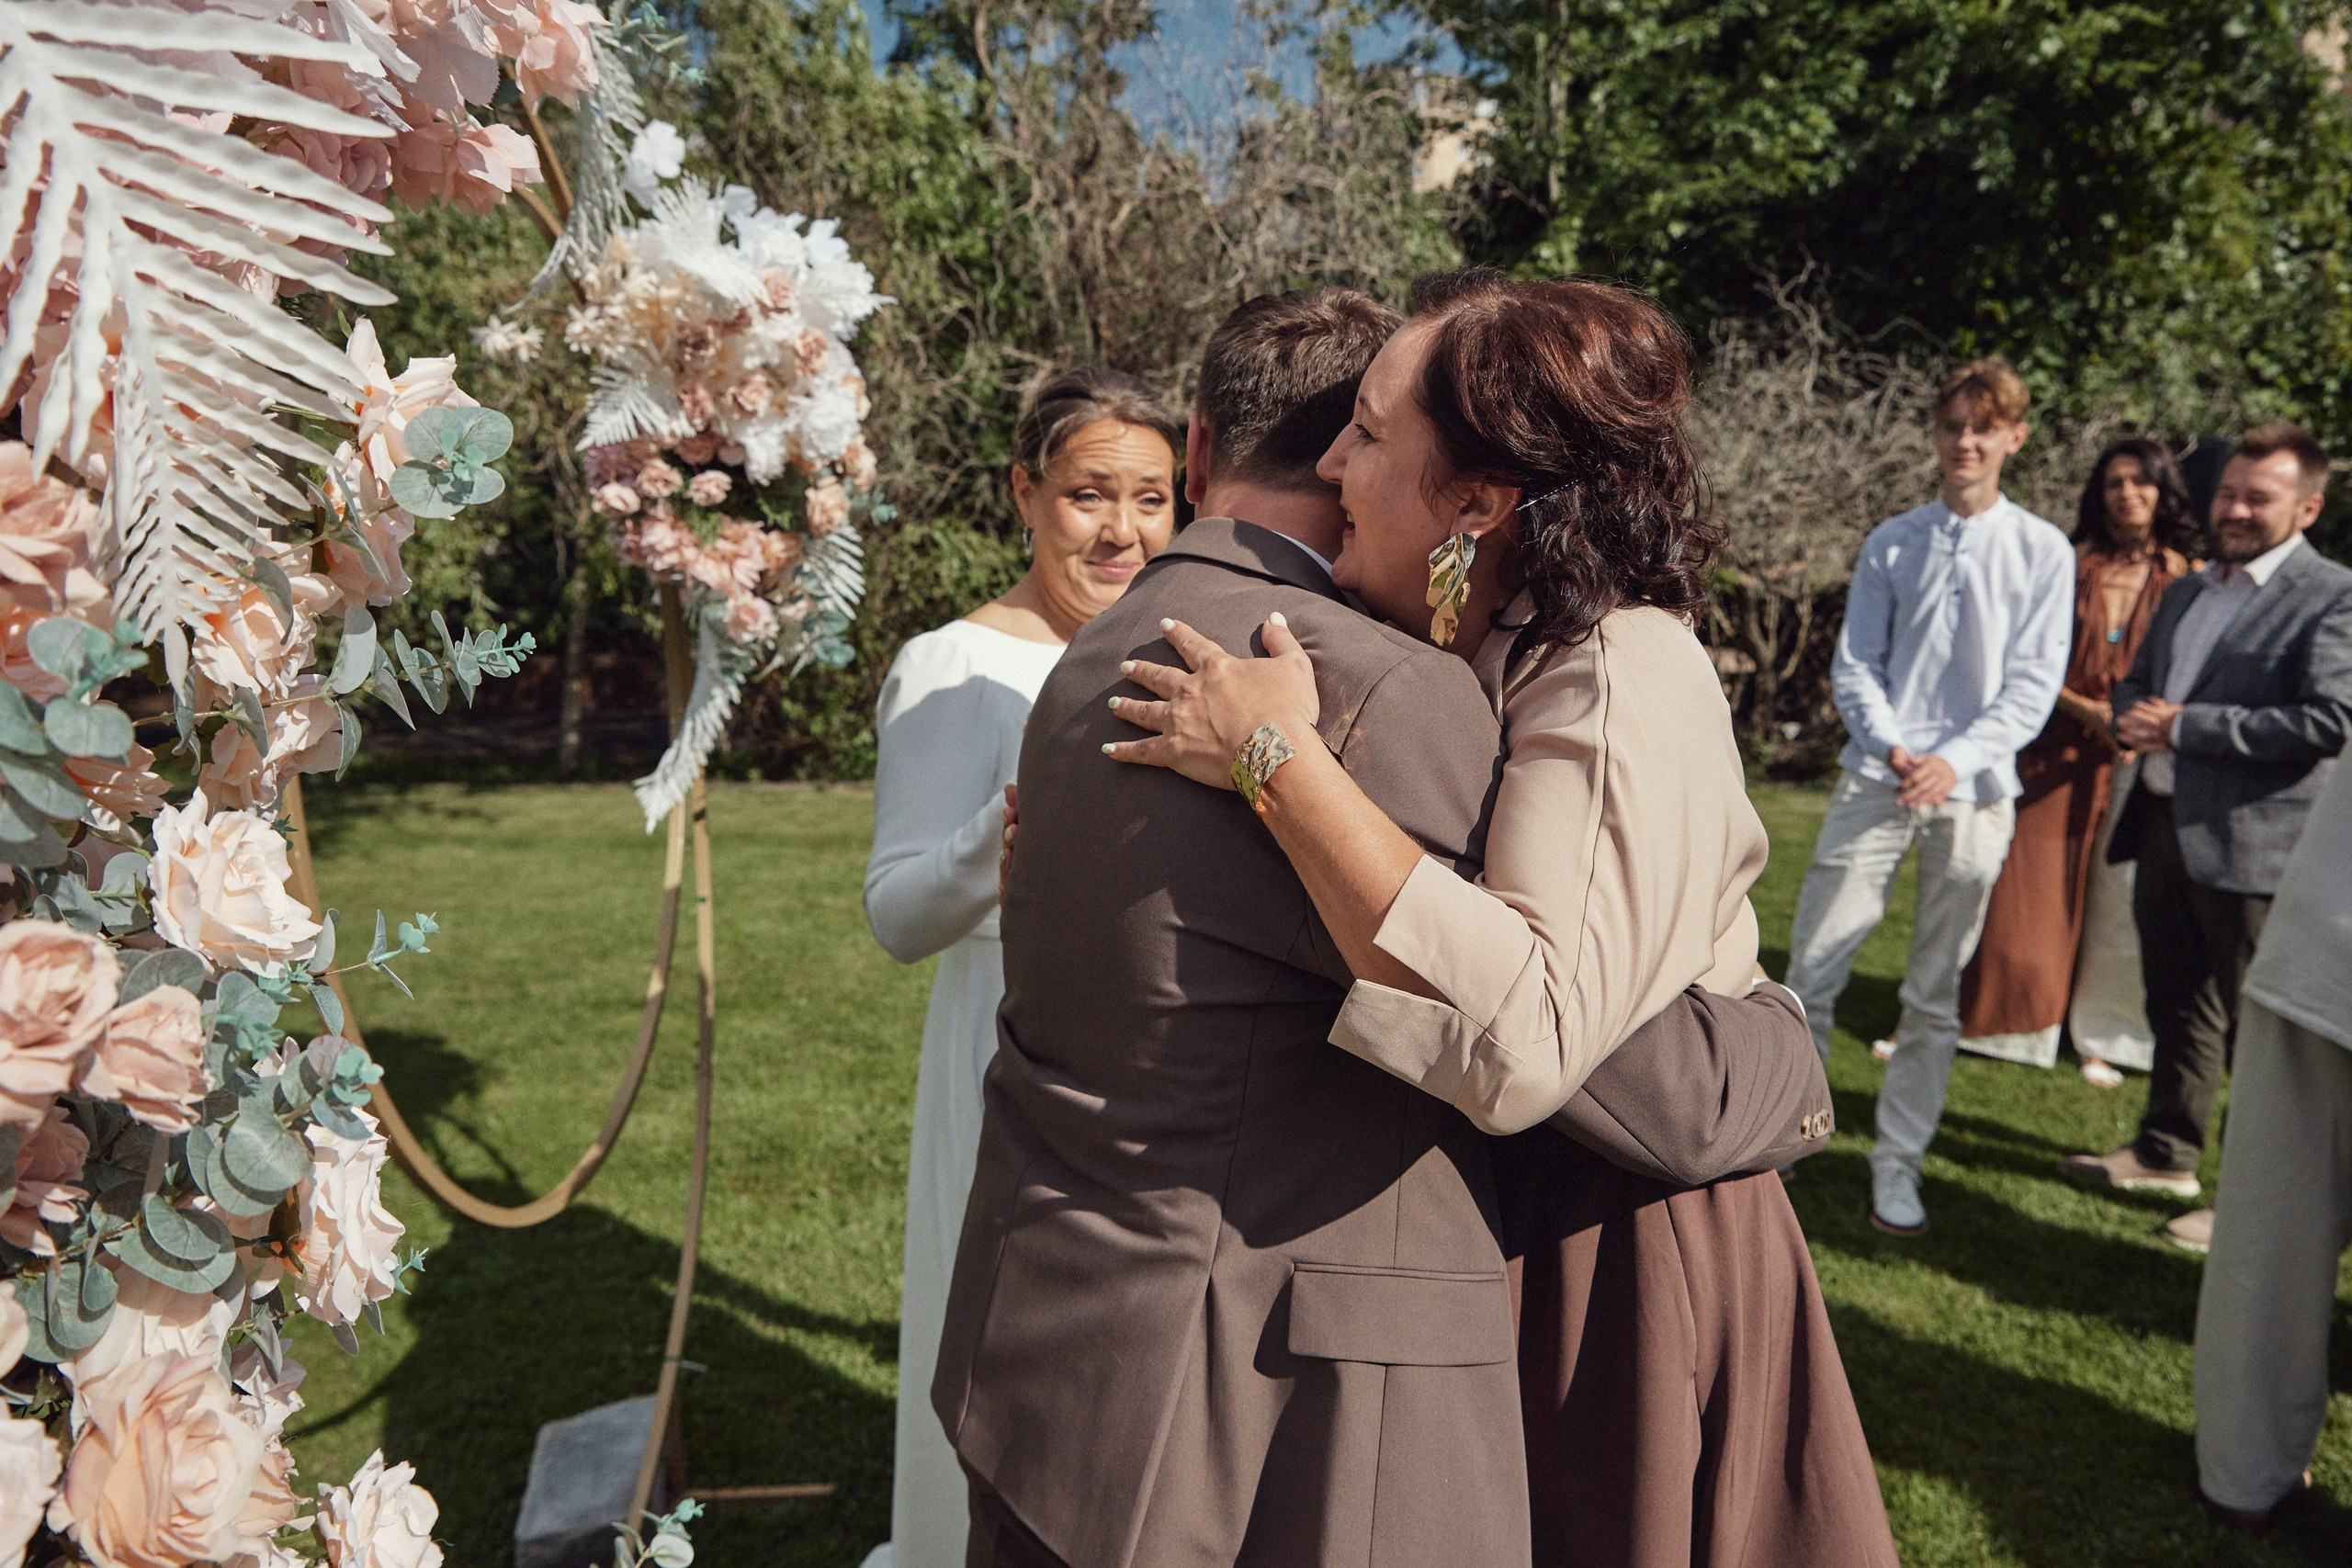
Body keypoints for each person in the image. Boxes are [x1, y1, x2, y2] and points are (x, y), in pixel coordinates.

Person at [1094, 275, 1893, 1568]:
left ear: (1476, 501)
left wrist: (1272, 761)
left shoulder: (1622, 665)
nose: (1335, 463)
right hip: (1480, 1225)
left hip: (1625, 1254)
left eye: (1364, 432)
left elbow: (1528, 1038)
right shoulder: (1457, 641)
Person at [859, 368, 1181, 1568]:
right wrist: (992, 844)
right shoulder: (956, 663)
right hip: (1007, 1047)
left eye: (1151, 497)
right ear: (1024, 493)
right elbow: (896, 912)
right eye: (1088, 493)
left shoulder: (1174, 649)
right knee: (998, 1341)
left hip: (1153, 1064)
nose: (1122, 529)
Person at [1779, 358, 2075, 1236]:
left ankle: (1897, 1165)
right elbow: (1857, 664)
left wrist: (1953, 759)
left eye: (1984, 428)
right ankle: (1787, 1141)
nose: (1966, 442)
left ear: (2014, 438)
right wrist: (1902, 748)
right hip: (1881, 774)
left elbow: (2031, 685)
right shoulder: (1894, 540)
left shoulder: (2042, 551)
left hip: (1978, 789)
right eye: (1953, 426)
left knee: (1934, 992)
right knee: (1813, 967)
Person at [2061, 423, 2352, 1252]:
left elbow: (2331, 719)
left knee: (2259, 1041)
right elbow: (2139, 687)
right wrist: (2134, 716)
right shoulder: (2189, 589)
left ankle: (2257, 1203)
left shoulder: (2333, 594)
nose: (2235, 508)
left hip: (2257, 851)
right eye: (2228, 491)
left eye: (2258, 497)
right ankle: (2166, 1151)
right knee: (2176, 1004)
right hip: (2158, 827)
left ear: (2307, 507)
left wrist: (2189, 727)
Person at [1955, 440, 2195, 1080]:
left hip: (2141, 749)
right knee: (2030, 880)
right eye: (2115, 482)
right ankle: (2013, 1021)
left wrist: (2141, 720)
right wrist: (2088, 709)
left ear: (2163, 491)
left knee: (2119, 893)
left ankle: (2106, 1033)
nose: (2127, 494)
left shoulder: (2188, 576)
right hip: (2054, 738)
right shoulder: (2070, 561)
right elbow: (2021, 651)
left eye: (2141, 482)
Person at [2190, 754, 2352, 1531]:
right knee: (2270, 1222)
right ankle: (2242, 1469)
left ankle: (2241, 1468)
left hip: (2319, 926)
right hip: (2318, 941)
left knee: (2272, 1225)